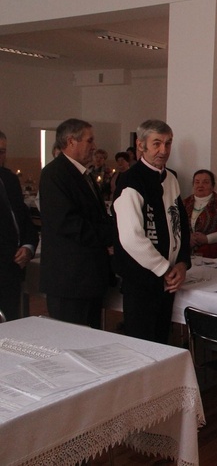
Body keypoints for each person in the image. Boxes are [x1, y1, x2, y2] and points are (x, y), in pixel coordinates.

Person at [112, 119, 191, 344]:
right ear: (141, 145)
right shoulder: (130, 181)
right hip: (141, 280)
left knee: (162, 341)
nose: (163, 150)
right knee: (142, 345)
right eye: (156, 144)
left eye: (168, 143)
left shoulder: (171, 178)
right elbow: (131, 237)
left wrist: (183, 263)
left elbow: (181, 227)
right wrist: (164, 268)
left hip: (168, 279)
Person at [40, 119, 113, 329]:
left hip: (88, 276)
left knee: (92, 341)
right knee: (72, 341)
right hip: (70, 279)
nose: (94, 146)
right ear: (71, 141)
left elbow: (97, 215)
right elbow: (68, 223)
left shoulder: (84, 174)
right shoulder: (55, 174)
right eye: (89, 140)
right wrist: (113, 236)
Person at [0, 130, 38, 321]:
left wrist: (28, 246)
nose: (1, 157)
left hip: (12, 271)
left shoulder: (9, 179)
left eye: (3, 152)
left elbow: (23, 220)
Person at [184, 169, 217, 259]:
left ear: (213, 186)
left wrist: (207, 239)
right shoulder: (184, 203)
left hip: (214, 254)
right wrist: (188, 238)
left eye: (205, 182)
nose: (200, 185)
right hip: (188, 254)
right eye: (197, 182)